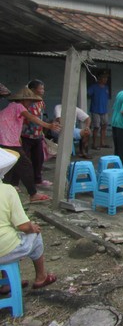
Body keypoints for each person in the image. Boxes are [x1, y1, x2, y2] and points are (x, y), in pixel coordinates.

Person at [0, 148, 57, 292]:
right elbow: (24, 226)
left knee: (10, 233)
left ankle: (6, 283)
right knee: (34, 235)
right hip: (4, 249)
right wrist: (33, 228)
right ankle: (41, 277)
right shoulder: (7, 190)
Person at [0, 87, 60, 204]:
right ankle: (33, 194)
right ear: (24, 100)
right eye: (29, 101)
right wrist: (48, 126)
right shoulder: (19, 107)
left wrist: (18, 139)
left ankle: (6, 191)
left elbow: (12, 124)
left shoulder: (11, 107)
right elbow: (32, 118)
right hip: (8, 141)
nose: (30, 104)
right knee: (25, 165)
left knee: (9, 167)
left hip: (6, 140)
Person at [21, 79, 49, 187]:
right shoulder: (27, 102)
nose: (43, 90)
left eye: (43, 88)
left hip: (38, 135)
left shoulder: (41, 101)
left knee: (38, 159)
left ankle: (38, 180)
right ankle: (19, 182)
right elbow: (30, 118)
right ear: (33, 89)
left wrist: (42, 131)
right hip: (26, 135)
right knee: (24, 160)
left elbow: (41, 116)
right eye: (41, 88)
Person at [87, 73, 111, 150]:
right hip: (95, 110)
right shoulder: (94, 87)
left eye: (106, 78)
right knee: (96, 127)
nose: (105, 80)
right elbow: (87, 93)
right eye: (104, 78)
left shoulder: (106, 88)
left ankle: (102, 143)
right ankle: (94, 144)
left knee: (104, 126)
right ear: (99, 79)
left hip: (104, 110)